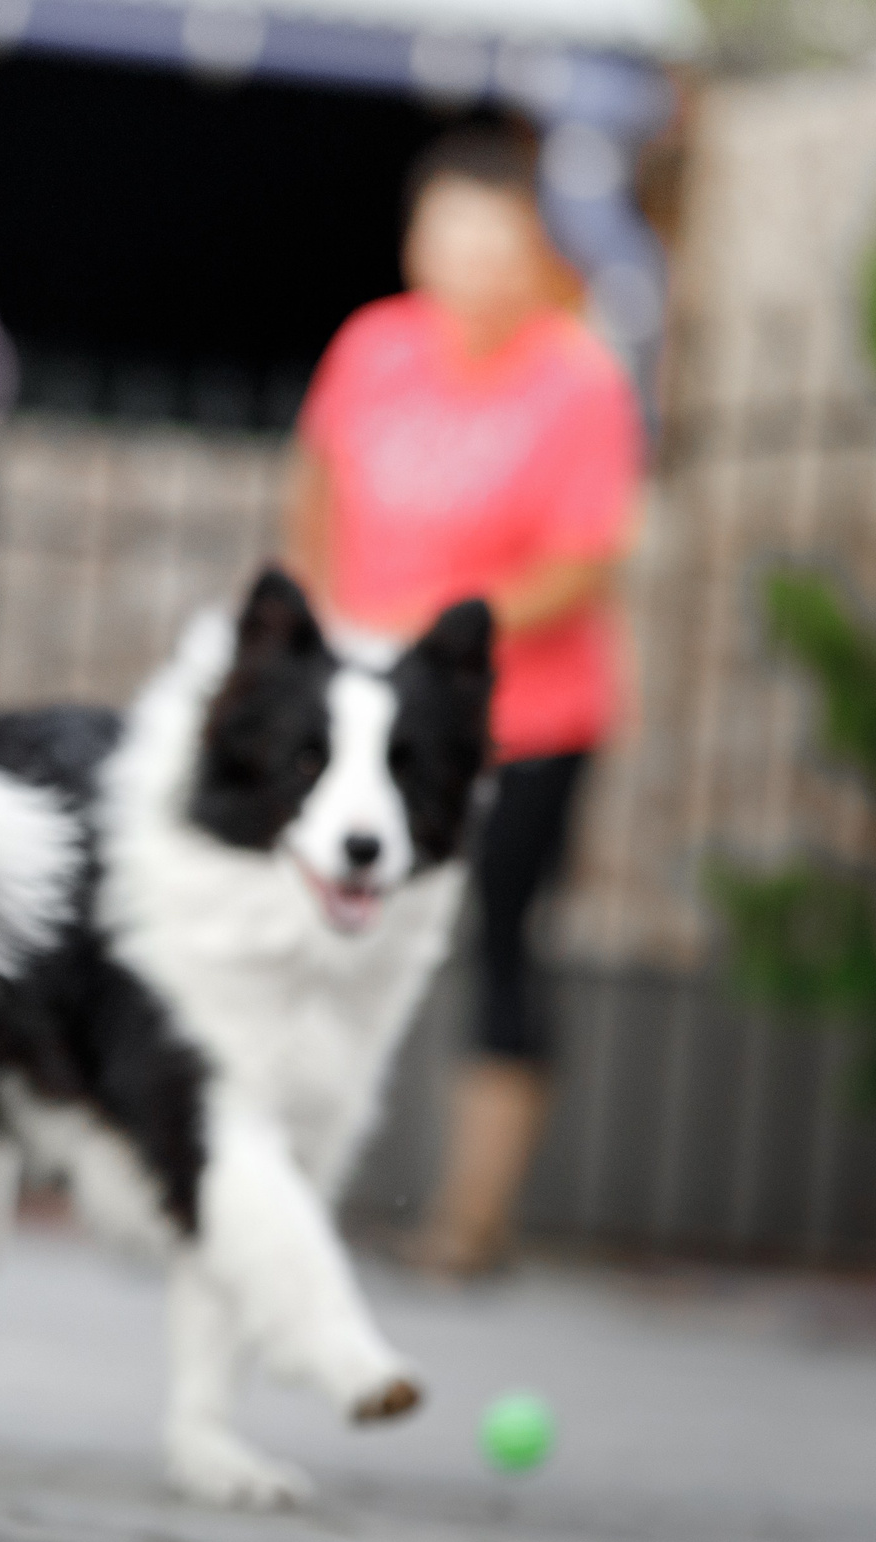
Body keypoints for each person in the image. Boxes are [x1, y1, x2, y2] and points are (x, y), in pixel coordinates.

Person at [284, 126, 642, 1276]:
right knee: (324, 929)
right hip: (365, 713)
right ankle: (281, 1190)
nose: (467, 263)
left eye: (491, 241)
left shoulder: (579, 379)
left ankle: (467, 1224)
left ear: (530, 245)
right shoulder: (374, 345)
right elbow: (318, 483)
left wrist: (437, 647)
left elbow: (583, 560)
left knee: (496, 944)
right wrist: (325, 630)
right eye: (446, 236)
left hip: (522, 724)